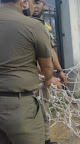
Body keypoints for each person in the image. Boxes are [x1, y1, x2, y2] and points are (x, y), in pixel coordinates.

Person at [0, 0, 53, 143]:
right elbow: (47, 67)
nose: (33, 5)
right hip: (19, 107)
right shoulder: (33, 26)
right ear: (23, 2)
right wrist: (48, 79)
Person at [32, 1, 68, 144]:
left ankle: (46, 139)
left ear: (44, 4)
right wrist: (47, 77)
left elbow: (51, 51)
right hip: (31, 77)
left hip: (44, 77)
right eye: (32, 2)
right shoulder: (24, 24)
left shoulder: (46, 26)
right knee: (32, 113)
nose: (35, 6)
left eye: (37, 2)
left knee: (45, 109)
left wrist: (59, 71)